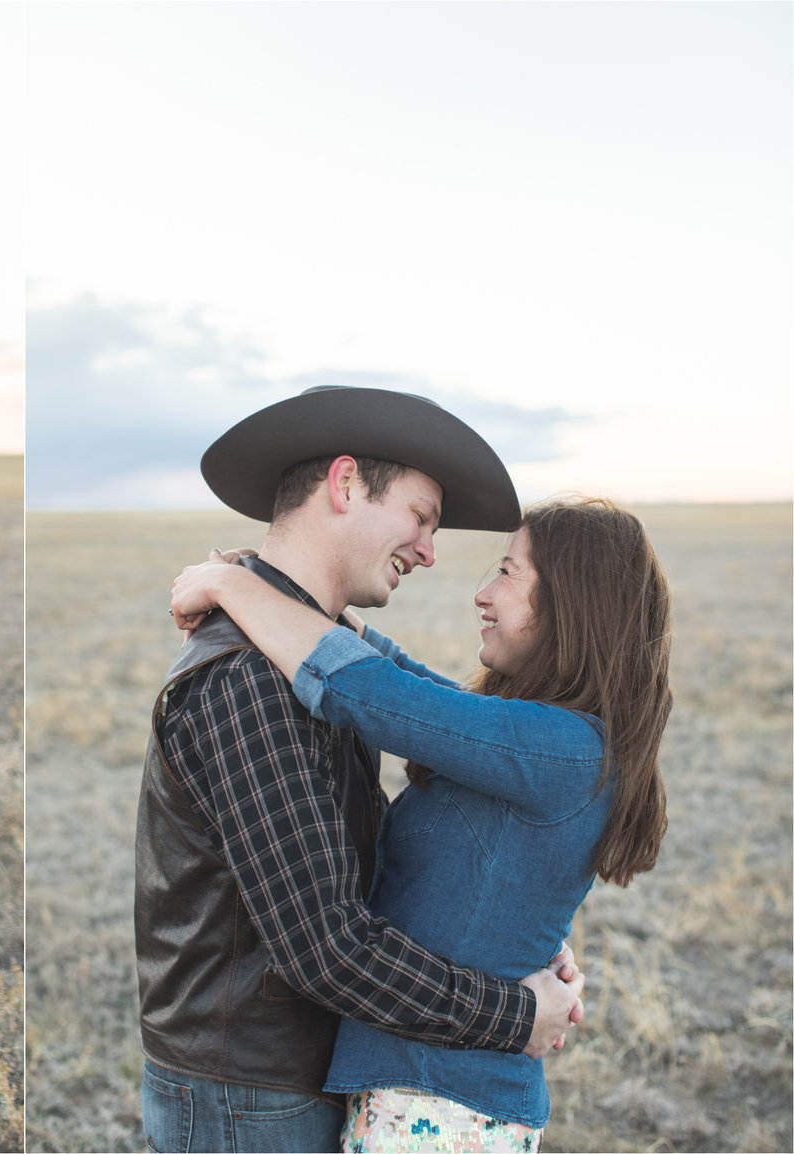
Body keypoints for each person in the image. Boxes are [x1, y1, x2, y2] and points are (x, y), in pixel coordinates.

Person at [132, 385, 585, 1153]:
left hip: (287, 1080)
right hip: (250, 1095)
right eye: (421, 516)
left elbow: (353, 849)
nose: (430, 552)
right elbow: (327, 946)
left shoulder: (306, 662)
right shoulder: (250, 680)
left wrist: (513, 932)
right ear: (345, 485)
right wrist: (515, 1013)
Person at [168, 494, 670, 1151]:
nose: (482, 593)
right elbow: (406, 679)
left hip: (440, 1108)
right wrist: (267, 584)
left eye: (509, 572)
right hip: (427, 1094)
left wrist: (229, 586)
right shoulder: (542, 743)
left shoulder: (560, 749)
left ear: (574, 605)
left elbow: (368, 691)